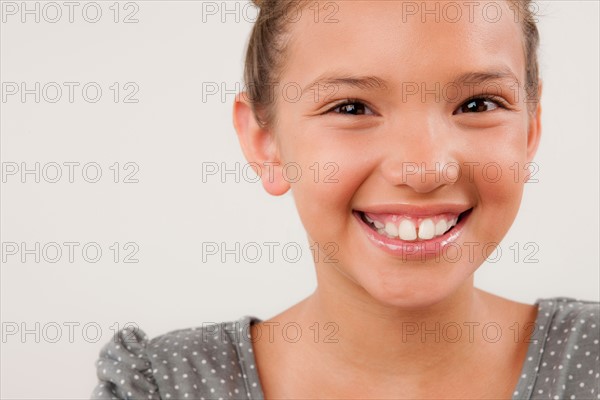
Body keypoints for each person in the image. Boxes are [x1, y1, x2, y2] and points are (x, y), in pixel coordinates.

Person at [91, 1, 600, 399]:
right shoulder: (163, 387)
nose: (423, 169)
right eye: (352, 107)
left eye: (477, 104)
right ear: (264, 141)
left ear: (530, 131)